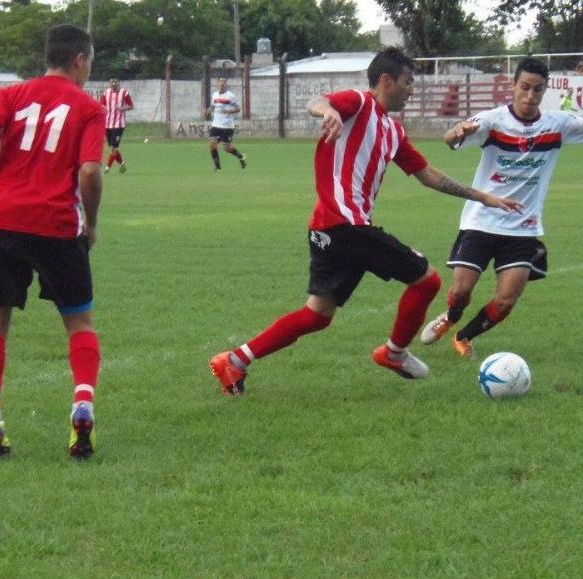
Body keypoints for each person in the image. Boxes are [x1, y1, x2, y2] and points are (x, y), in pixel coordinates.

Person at [209, 47, 521, 395]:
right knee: (426, 280)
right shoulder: (358, 103)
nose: (411, 89)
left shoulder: (393, 131)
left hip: (327, 230)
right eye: (408, 82)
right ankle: (394, 352)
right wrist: (327, 111)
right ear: (387, 80)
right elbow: (319, 100)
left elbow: (428, 174)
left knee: (317, 315)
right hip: (346, 226)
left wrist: (484, 196)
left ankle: (234, 361)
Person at [0, 24, 105, 459]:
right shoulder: (87, 107)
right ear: (80, 61)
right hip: (55, 222)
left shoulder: (12, 94)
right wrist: (92, 224)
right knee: (79, 323)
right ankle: (82, 406)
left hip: (3, 218)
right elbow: (89, 171)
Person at [421, 57, 583, 358]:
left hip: (523, 226)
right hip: (481, 221)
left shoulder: (557, 125)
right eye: (524, 88)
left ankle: (464, 336)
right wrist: (457, 132)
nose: (530, 96)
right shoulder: (493, 120)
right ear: (513, 86)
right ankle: (450, 316)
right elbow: (449, 139)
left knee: (507, 300)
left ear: (545, 90)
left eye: (537, 90)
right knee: (460, 292)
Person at [205, 76, 247, 171]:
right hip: (216, 125)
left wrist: (229, 111)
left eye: (224, 81)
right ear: (218, 83)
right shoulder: (214, 95)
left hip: (227, 126)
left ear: (226, 84)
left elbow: (238, 109)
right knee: (212, 143)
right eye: (221, 81)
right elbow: (212, 107)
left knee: (227, 148)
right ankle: (217, 167)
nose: (222, 83)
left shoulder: (231, 96)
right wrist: (207, 111)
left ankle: (241, 157)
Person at [100, 78, 133, 174]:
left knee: (113, 147)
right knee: (113, 147)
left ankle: (107, 168)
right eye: (112, 81)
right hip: (108, 124)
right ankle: (122, 164)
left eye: (116, 81)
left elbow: (131, 105)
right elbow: (101, 105)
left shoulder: (124, 93)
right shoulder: (105, 93)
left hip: (119, 124)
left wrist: (122, 108)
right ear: (109, 83)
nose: (114, 83)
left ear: (119, 83)